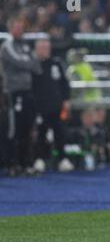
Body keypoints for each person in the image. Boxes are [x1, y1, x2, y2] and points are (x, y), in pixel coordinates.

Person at [0, 17, 41, 176]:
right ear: (10, 29)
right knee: (13, 130)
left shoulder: (25, 45)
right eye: (16, 27)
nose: (19, 30)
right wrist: (28, 61)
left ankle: (26, 164)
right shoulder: (7, 46)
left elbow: (37, 67)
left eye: (21, 27)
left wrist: (28, 61)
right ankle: (12, 164)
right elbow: (22, 63)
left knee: (27, 128)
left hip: (27, 92)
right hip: (13, 92)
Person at [32, 38, 74, 173]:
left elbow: (64, 83)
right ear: (36, 49)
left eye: (47, 47)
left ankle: (63, 159)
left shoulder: (56, 63)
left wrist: (66, 100)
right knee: (41, 134)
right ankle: (39, 159)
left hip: (57, 105)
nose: (45, 50)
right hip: (40, 106)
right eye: (42, 48)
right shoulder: (33, 65)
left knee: (60, 133)